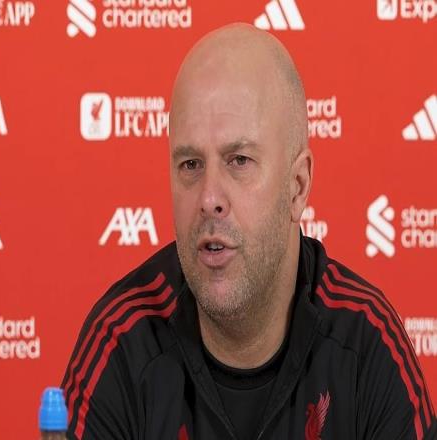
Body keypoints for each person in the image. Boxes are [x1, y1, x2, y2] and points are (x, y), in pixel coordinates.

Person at [61, 23, 436, 440]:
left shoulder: (366, 346)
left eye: (238, 160)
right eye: (190, 164)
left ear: (297, 187)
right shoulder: (121, 343)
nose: (209, 198)